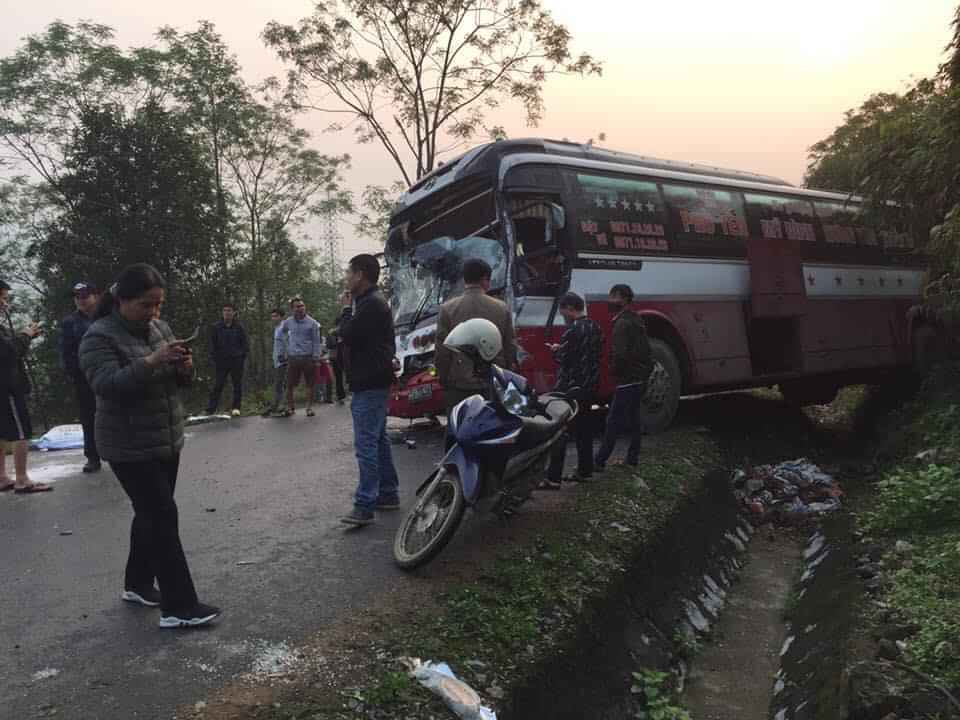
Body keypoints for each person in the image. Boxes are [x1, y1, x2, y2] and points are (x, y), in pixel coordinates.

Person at [79, 263, 220, 629]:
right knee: (162, 516)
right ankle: (179, 607)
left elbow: (176, 381)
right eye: (145, 305)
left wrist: (184, 367)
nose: (153, 313)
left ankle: (138, 584)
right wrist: (154, 359)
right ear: (121, 301)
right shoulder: (98, 337)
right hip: (127, 445)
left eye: (158, 305)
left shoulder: (158, 328)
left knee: (151, 513)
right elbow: (108, 385)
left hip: (165, 437)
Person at [336, 254, 399, 526]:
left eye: (349, 272)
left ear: (360, 274)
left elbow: (348, 334)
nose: (347, 277)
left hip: (370, 380)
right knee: (378, 439)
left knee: (366, 444)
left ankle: (365, 505)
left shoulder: (370, 304)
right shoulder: (368, 302)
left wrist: (346, 311)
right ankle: (387, 493)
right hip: (373, 378)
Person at [435, 259, 517, 412]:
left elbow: (442, 352)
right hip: (492, 382)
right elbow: (510, 347)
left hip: (459, 384)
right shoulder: (501, 308)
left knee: (459, 428)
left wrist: (444, 378)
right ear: (484, 279)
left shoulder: (447, 309)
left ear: (464, 279)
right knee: (492, 428)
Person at [541, 292, 603, 488]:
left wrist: (556, 350)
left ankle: (553, 478)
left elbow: (564, 358)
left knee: (560, 431)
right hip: (589, 385)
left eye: (562, 310)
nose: (562, 315)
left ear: (569, 308)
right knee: (585, 430)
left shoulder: (572, 330)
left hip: (571, 388)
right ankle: (585, 471)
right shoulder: (595, 327)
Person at [595, 284, 653, 471]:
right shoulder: (636, 319)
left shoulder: (621, 323)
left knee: (613, 421)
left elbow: (619, 355)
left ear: (622, 298)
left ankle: (599, 460)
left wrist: (614, 371)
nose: (609, 301)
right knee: (634, 419)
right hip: (639, 377)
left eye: (612, 297)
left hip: (627, 379)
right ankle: (632, 458)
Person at [0, 279, 51, 494]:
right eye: (2, 297)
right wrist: (26, 335)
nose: (5, 303)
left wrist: (23, 339)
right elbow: (7, 352)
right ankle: (22, 479)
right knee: (21, 432)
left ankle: (2, 477)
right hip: (8, 387)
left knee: (1, 433)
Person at [60, 281, 102, 473]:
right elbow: (67, 353)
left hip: (110, 372)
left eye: (85, 296)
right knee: (88, 416)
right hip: (84, 378)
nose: (81, 301)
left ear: (96, 296)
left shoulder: (107, 316)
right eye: (78, 297)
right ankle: (92, 457)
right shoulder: (70, 322)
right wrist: (75, 374)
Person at [281, 297, 322, 417]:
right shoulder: (288, 322)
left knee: (310, 384)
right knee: (289, 384)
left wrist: (316, 357)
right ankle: (290, 407)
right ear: (292, 309)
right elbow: (282, 333)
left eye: (302, 306)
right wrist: (285, 348)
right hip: (293, 358)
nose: (300, 308)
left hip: (308, 357)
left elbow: (316, 341)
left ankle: (309, 408)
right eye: (297, 306)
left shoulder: (312, 323)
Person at [206, 303, 249, 417]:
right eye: (224, 310)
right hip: (222, 361)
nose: (227, 313)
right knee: (218, 385)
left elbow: (245, 344)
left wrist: (241, 356)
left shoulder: (239, 327)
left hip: (236, 361)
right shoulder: (216, 327)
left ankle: (236, 408)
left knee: (237, 385)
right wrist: (214, 358)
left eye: (229, 310)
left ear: (234, 313)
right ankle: (211, 409)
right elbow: (212, 345)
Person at [262, 308, 288, 417]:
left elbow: (289, 341)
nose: (273, 318)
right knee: (279, 384)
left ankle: (281, 406)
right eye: (272, 316)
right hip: (277, 360)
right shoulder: (277, 328)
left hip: (283, 360)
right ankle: (277, 406)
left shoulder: (284, 327)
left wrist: (286, 356)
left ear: (281, 317)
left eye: (276, 316)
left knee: (280, 384)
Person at [327, 303, 349, 405]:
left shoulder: (333, 332)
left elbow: (329, 345)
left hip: (336, 356)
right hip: (339, 355)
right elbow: (331, 344)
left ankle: (342, 396)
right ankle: (342, 395)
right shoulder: (336, 332)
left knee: (339, 376)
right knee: (342, 376)